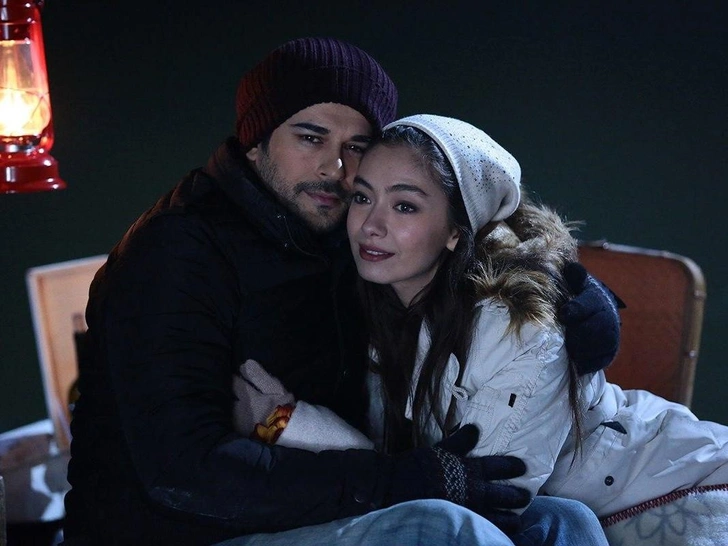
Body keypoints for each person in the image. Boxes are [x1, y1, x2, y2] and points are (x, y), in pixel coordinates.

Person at [63, 38, 619, 546]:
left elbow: (458, 221)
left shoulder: (339, 224)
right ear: (255, 143)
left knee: (563, 522)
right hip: (177, 532)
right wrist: (393, 482)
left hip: (311, 502)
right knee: (445, 529)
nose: (335, 168)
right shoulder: (177, 251)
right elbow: (183, 475)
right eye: (310, 138)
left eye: (357, 146)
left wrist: (564, 293)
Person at [255, 113, 728, 543]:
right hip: (582, 516)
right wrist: (292, 424)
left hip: (685, 489)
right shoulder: (376, 303)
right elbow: (409, 472)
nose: (370, 225)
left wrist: (293, 426)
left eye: (405, 206)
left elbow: (484, 500)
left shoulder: (519, 326)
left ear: (456, 230)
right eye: (363, 197)